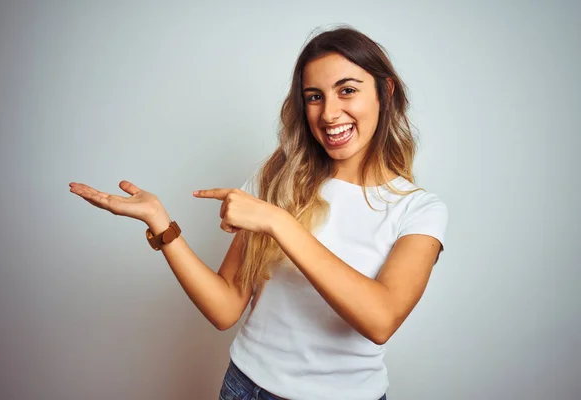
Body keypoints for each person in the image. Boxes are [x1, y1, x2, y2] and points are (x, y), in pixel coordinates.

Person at [69, 26, 448, 400]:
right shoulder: (277, 178)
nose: (330, 113)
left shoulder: (419, 210)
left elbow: (380, 320)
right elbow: (226, 307)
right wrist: (161, 224)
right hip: (246, 388)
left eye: (347, 90)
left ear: (387, 91)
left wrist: (278, 221)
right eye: (314, 97)